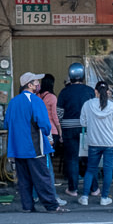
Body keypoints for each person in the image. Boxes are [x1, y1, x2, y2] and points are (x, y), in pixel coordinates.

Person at [4, 72, 68, 213]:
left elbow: (6, 123)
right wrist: (48, 137)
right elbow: (44, 124)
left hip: (17, 147)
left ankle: (27, 206)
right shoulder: (36, 101)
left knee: (24, 179)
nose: (39, 84)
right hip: (34, 145)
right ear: (30, 85)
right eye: (36, 81)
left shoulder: (13, 102)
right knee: (42, 177)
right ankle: (51, 205)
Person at [57, 62, 98, 198]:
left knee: (72, 159)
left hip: (69, 130)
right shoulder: (90, 91)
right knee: (89, 159)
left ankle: (73, 189)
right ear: (83, 76)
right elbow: (95, 111)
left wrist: (60, 132)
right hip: (86, 129)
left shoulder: (64, 92)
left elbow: (59, 114)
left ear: (70, 76)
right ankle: (94, 189)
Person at [78, 82, 113, 206]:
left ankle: (84, 197)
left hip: (93, 142)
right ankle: (104, 198)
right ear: (107, 91)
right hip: (110, 143)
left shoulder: (87, 105)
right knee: (108, 170)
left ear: (95, 91)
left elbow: (83, 123)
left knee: (91, 169)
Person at [38, 74, 65, 203]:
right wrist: (60, 132)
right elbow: (55, 117)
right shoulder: (52, 98)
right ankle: (52, 195)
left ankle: (37, 194)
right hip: (51, 131)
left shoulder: (37, 97)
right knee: (48, 165)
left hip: (39, 131)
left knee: (40, 163)